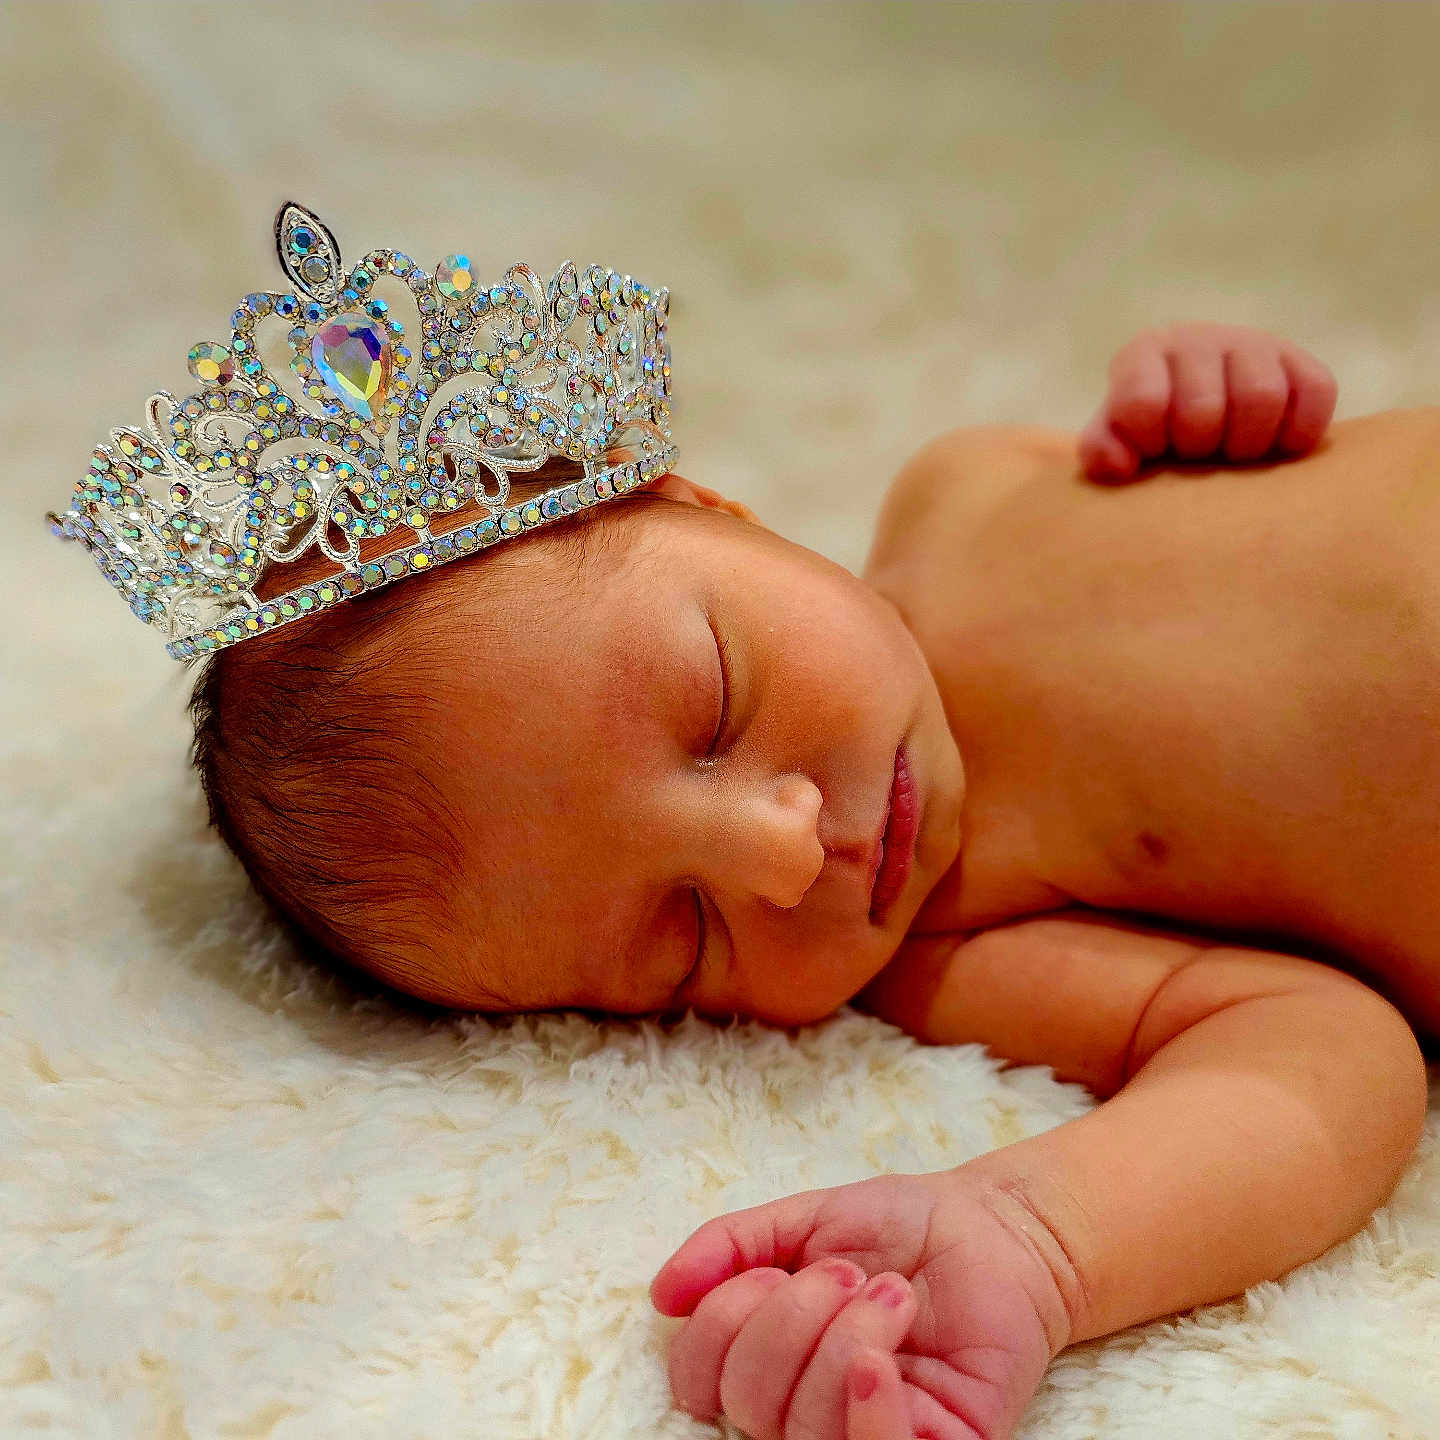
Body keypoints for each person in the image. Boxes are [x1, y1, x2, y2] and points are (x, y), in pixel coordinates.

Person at [191, 323, 1433, 1440]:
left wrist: (1210, 395)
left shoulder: (969, 484)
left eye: (715, 707)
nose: (784, 854)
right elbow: (1324, 1056)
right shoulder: (952, 945)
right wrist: (1038, 1237)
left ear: (710, 509)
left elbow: (1254, 471)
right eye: (684, 936)